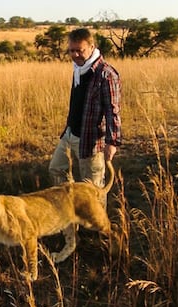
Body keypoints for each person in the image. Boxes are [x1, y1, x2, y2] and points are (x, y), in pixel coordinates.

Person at [49, 28, 121, 199]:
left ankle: (98, 225)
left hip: (90, 140)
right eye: (71, 50)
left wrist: (112, 142)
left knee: (93, 189)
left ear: (91, 47)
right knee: (56, 168)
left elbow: (113, 111)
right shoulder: (78, 69)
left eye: (79, 50)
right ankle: (70, 213)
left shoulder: (106, 74)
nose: (75, 55)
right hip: (70, 133)